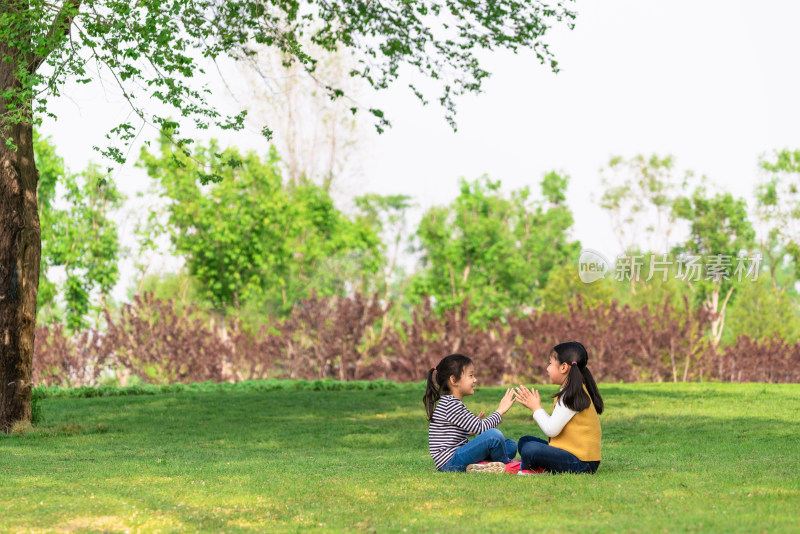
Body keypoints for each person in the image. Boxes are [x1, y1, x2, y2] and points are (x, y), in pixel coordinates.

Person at [514, 341, 604, 474]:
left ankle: (530, 469)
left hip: (581, 463)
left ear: (563, 367)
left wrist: (536, 408)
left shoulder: (571, 395)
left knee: (530, 449)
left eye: (550, 363)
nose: (547, 368)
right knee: (525, 441)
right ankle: (535, 464)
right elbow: (555, 425)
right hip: (575, 456)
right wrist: (536, 408)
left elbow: (551, 430)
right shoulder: (572, 391)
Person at [424, 353, 517, 472]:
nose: (475, 380)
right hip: (450, 463)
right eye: (471, 375)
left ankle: (483, 466)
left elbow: (452, 434)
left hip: (456, 457)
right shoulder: (451, 404)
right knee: (494, 436)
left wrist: (470, 430)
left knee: (510, 445)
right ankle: (506, 465)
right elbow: (482, 428)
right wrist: (500, 411)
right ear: (453, 380)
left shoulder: (449, 402)